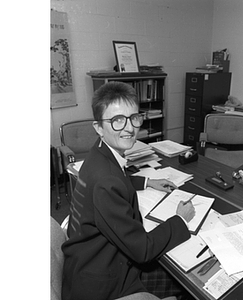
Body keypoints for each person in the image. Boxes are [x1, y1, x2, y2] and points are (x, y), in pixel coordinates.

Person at [61, 81, 195, 300]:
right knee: (182, 285)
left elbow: (114, 178)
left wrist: (146, 183)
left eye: (134, 118)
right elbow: (142, 250)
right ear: (98, 127)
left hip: (85, 262)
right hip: (101, 281)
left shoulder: (98, 155)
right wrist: (180, 220)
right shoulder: (106, 181)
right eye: (117, 120)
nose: (130, 128)